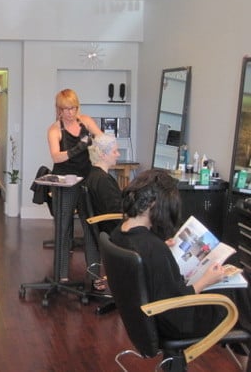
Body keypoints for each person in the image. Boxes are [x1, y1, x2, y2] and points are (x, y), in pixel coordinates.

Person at [110, 169, 251, 345]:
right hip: (178, 322)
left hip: (149, 317)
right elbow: (176, 301)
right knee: (240, 286)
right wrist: (206, 280)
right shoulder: (153, 248)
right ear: (155, 204)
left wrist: (164, 249)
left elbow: (149, 266)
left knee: (240, 285)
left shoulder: (119, 233)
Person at [47, 88, 102, 282]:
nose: (70, 113)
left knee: (91, 226)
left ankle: (95, 275)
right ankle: (61, 276)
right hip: (65, 183)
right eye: (65, 109)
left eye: (73, 108)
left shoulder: (85, 121)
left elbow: (102, 138)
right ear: (59, 109)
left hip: (86, 180)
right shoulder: (55, 130)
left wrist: (100, 143)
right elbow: (56, 156)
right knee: (63, 228)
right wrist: (79, 147)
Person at [82, 133, 123, 290]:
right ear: (103, 155)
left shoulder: (92, 175)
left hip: (103, 228)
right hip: (112, 229)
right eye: (115, 151)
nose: (118, 155)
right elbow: (116, 211)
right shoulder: (103, 180)